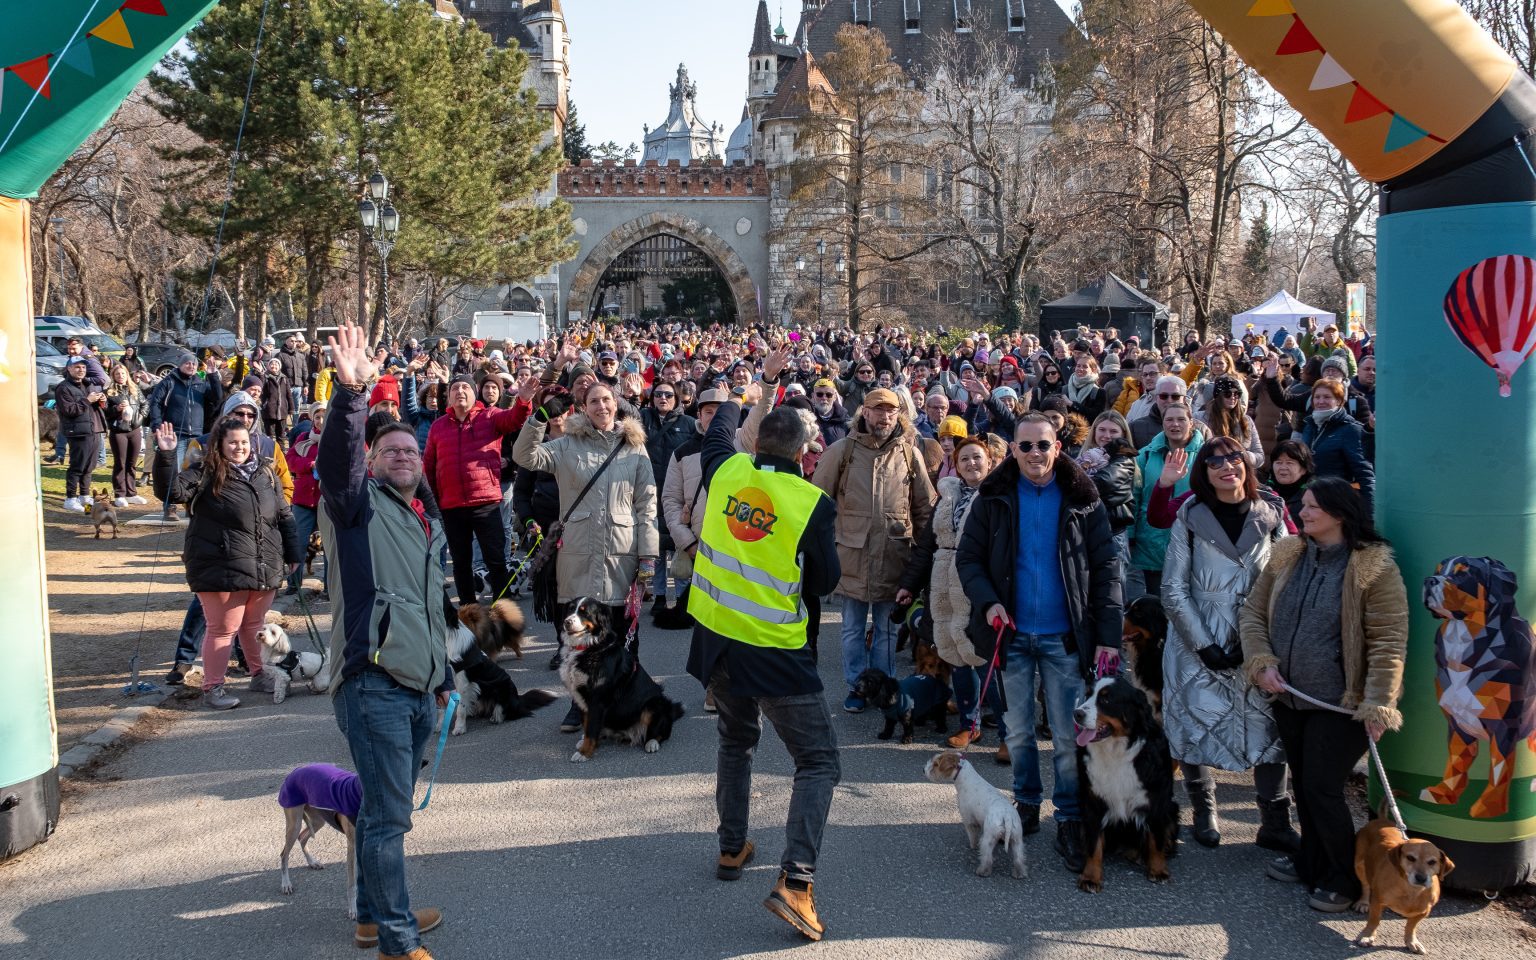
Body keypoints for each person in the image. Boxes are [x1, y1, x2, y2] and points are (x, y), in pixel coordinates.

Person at [685, 380, 841, 943]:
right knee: (819, 761)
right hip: (773, 650)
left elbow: (719, 430)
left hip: (716, 641)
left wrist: (745, 386)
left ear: (759, 442)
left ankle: (732, 847)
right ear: (804, 451)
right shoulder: (810, 503)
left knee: (735, 740)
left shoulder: (726, 471)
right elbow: (826, 581)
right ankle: (796, 883)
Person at [317, 323, 454, 959]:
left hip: (419, 687)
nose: (403, 456)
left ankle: (373, 916)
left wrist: (445, 679)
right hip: (372, 685)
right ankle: (397, 941)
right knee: (389, 819)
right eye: (391, 450)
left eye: (410, 450)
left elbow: (430, 609)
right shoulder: (355, 507)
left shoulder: (424, 522)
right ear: (372, 461)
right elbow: (336, 466)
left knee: (379, 812)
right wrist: (352, 393)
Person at [955, 413, 1123, 871]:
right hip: (1008, 634)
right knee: (1018, 731)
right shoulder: (992, 497)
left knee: (1069, 736)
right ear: (1012, 450)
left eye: (1043, 446)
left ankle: (1068, 815)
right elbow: (968, 559)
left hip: (1064, 635)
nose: (1034, 455)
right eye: (1025, 446)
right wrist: (988, 601)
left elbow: (1107, 568)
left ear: (1058, 447)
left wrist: (1108, 637)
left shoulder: (1084, 500)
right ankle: (1026, 803)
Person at [1241, 477, 1408, 913]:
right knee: (1305, 784)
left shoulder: (1374, 567)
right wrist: (1262, 662)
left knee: (1322, 787)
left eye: (1313, 507)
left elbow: (1390, 640)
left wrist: (1379, 702)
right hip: (1290, 697)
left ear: (1339, 514)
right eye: (1305, 505)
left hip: (1342, 703)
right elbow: (1253, 614)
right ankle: (1310, 861)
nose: (1304, 512)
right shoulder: (1287, 554)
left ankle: (1345, 879)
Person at [1161, 437, 1297, 853]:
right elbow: (1172, 588)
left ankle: (1274, 818)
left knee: (1269, 727)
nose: (1226, 467)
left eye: (1233, 457)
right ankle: (1204, 810)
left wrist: (1257, 639)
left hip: (1259, 638)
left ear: (1246, 464)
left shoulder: (1272, 512)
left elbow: (1287, 577)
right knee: (1195, 720)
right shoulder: (1190, 515)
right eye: (1214, 461)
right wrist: (1203, 645)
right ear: (1203, 472)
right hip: (1195, 637)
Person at [514, 380, 659, 731]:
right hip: (577, 554)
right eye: (594, 401)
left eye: (607, 399)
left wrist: (648, 555)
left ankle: (625, 702)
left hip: (621, 553)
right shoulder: (566, 444)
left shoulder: (634, 447)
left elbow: (647, 504)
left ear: (617, 404)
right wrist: (541, 415)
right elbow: (525, 456)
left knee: (624, 634)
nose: (602, 406)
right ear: (583, 407)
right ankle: (580, 704)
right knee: (577, 638)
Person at [151, 417, 301, 710]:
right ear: (219, 444)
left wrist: (293, 553)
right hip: (219, 567)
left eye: (244, 442)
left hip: (263, 564)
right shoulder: (204, 473)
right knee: (222, 629)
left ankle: (258, 674)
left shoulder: (264, 472)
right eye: (232, 442)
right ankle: (213, 687)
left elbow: (284, 516)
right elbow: (171, 492)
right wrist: (167, 455)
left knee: (253, 625)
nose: (239, 447)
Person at [813, 387, 936, 713]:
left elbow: (924, 508)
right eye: (877, 410)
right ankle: (858, 687)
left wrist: (926, 560)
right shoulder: (842, 450)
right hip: (851, 556)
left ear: (899, 414)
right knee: (853, 629)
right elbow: (817, 503)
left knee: (886, 629)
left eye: (891, 411)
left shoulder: (910, 454)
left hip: (895, 556)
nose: (884, 416)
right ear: (863, 412)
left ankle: (884, 687)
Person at [897, 435, 1006, 754]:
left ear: (990, 462)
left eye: (977, 457)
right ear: (956, 466)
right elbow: (927, 546)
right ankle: (969, 725)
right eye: (964, 459)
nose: (972, 463)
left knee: (988, 659)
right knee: (957, 655)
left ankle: (1007, 733)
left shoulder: (1000, 496)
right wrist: (909, 585)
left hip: (983, 583)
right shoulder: (946, 499)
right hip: (945, 583)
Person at [422, 373, 523, 605]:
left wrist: (524, 400)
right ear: (448, 396)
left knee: (496, 560)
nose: (460, 392)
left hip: (485, 503)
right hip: (452, 506)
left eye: (465, 387)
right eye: (455, 388)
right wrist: (434, 501)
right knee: (461, 563)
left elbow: (515, 419)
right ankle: (469, 612)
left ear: (474, 393)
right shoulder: (438, 427)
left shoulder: (490, 416)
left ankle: (503, 611)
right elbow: (429, 465)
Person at [1131, 403, 1205, 597]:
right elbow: (1134, 497)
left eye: (1181, 419)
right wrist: (1130, 534)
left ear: (1191, 423)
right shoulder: (1145, 455)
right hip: (1152, 542)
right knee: (1157, 607)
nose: (1175, 424)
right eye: (1169, 419)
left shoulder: (1207, 456)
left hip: (1193, 543)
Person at [641, 378, 697, 618]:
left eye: (668, 395)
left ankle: (683, 596)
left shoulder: (689, 424)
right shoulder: (643, 420)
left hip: (679, 493)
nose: (662, 398)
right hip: (650, 493)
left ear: (677, 399)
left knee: (680, 546)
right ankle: (661, 595)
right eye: (658, 394)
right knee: (657, 548)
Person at [148, 350, 225, 518]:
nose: (191, 366)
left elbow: (217, 398)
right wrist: (156, 426)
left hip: (197, 435)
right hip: (176, 435)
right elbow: (155, 404)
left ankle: (192, 505)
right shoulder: (168, 383)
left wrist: (212, 375)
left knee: (196, 472)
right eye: (187, 363)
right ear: (180, 365)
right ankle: (170, 507)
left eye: (194, 364)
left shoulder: (200, 382)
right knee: (173, 471)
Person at [1301, 379, 1375, 517]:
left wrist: (1369, 516)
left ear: (1340, 401)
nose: (1321, 401)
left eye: (1327, 397)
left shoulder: (1351, 429)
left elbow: (1364, 473)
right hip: (1311, 501)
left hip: (1337, 504)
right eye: (1317, 397)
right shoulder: (1310, 425)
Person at [284, 402, 327, 594]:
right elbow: (290, 462)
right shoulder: (303, 439)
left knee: (330, 548)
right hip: (303, 500)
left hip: (328, 501)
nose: (320, 421)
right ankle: (293, 584)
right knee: (298, 543)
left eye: (324, 416)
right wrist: (310, 464)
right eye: (317, 417)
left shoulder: (338, 439)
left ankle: (330, 586)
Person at [104, 362, 148, 507]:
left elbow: (145, 404)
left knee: (132, 463)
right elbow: (105, 413)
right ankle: (119, 494)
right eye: (117, 374)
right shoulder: (109, 392)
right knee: (120, 463)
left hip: (134, 430)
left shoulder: (134, 389)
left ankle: (131, 492)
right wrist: (116, 408)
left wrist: (140, 418)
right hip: (118, 432)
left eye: (123, 373)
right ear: (113, 376)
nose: (121, 376)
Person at [1199, 375, 1264, 467]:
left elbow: (1260, 456)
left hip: (1240, 472)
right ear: (1218, 396)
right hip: (1212, 471)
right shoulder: (1201, 419)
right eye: (1227, 394)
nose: (1233, 397)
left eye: (1237, 394)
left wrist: (1242, 456)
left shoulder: (1246, 420)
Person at [1266, 439, 1314, 522]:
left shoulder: (1314, 494)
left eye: (1289, 463)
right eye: (1278, 462)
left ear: (1304, 469)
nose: (1283, 467)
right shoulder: (1265, 491)